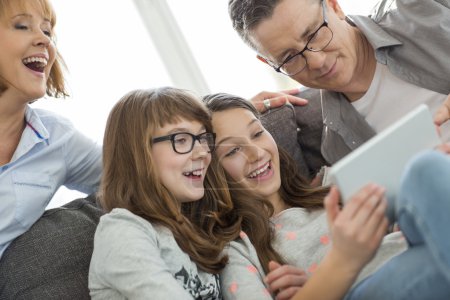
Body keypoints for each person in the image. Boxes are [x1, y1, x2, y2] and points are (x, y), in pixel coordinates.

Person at [204, 93, 450, 300]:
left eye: (257, 133)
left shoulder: (332, 182)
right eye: (233, 150)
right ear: (211, 172)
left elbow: (404, 223)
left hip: (418, 250)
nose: (256, 153)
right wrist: (314, 289)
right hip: (362, 288)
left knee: (424, 167)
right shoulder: (237, 250)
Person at [229, 0, 450, 171]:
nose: (316, 62)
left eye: (313, 33)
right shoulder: (339, 149)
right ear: (269, 63)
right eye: (289, 57)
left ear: (334, 6)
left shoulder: (427, 8)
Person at [89, 87, 240, 299]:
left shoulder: (200, 222)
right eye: (180, 140)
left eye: (202, 137)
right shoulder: (121, 230)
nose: (202, 153)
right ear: (137, 154)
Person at [0, 0, 101, 259]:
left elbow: (133, 177)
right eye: (22, 26)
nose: (43, 40)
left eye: (47, 31)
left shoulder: (57, 138)